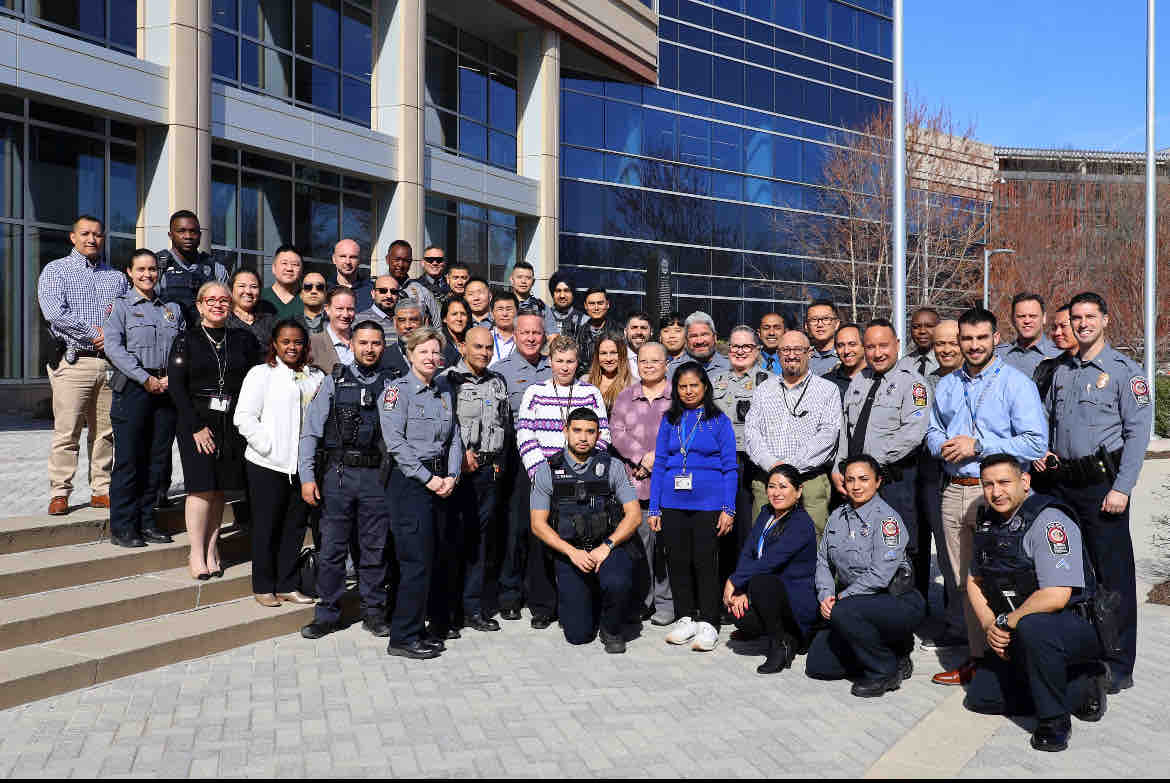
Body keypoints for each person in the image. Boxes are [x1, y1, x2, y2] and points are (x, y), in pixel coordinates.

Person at [925, 307, 1047, 686]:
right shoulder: (946, 385)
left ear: (996, 338)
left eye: (981, 338)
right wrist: (941, 446)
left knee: (1002, 578)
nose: (973, 345)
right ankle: (978, 661)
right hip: (954, 491)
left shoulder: (1015, 383)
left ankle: (1014, 661)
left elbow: (1035, 442)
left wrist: (977, 446)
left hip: (996, 494)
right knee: (965, 583)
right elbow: (931, 430)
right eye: (967, 338)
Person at [1038, 291, 1150, 695]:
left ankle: (1119, 662)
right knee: (1073, 572)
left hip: (1105, 488)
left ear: (1105, 319)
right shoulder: (1062, 371)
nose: (1082, 323)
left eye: (1090, 316)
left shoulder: (1125, 371)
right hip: (1064, 485)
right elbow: (1050, 422)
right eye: (1076, 317)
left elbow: (1139, 434)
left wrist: (1123, 488)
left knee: (1113, 575)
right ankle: (1085, 648)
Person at [962, 454, 1109, 752]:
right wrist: (991, 625)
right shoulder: (989, 522)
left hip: (1072, 625)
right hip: (1021, 628)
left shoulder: (1050, 520)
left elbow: (1056, 595)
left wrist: (1007, 622)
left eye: (1004, 482)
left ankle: (1054, 721)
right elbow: (973, 582)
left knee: (1035, 625)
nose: (996, 491)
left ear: (1025, 482)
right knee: (981, 697)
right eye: (988, 484)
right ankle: (1075, 687)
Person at [298, 320, 399, 640]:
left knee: (374, 549)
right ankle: (327, 613)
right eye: (363, 343)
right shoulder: (334, 380)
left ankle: (374, 612)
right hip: (338, 476)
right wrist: (307, 477)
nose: (370, 349)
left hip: (376, 477)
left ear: (384, 346)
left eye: (376, 343)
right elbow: (311, 431)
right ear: (352, 345)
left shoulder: (393, 383)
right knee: (332, 550)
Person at [807, 454, 924, 696]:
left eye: (864, 479)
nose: (856, 486)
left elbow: (880, 576)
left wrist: (841, 599)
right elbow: (822, 561)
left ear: (878, 481)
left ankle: (885, 671)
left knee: (845, 612)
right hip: (855, 604)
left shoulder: (887, 520)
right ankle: (887, 650)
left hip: (895, 600)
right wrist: (826, 595)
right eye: (850, 480)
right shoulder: (838, 516)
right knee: (819, 665)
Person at [516, 334, 610, 628]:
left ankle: (580, 599)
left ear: (577, 362)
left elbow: (603, 434)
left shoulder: (590, 392)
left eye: (570, 361)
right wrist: (540, 472)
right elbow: (524, 433)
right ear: (550, 362)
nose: (565, 367)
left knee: (580, 535)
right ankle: (543, 606)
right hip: (544, 475)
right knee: (542, 540)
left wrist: (581, 470)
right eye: (560, 361)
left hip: (580, 478)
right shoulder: (534, 392)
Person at [530, 408, 643, 652]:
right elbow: (538, 524)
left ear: (598, 434)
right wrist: (571, 552)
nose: (583, 437)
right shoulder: (547, 470)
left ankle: (611, 628)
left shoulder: (612, 466)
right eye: (577, 430)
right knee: (578, 635)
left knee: (617, 582)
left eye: (590, 432)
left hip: (608, 547)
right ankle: (586, 600)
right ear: (565, 431)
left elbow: (634, 516)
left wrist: (608, 546)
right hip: (571, 552)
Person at [381, 327, 464, 659]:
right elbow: (396, 445)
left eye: (435, 352)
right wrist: (429, 479)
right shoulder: (396, 392)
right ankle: (402, 636)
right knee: (414, 562)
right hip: (410, 484)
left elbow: (454, 435)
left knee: (433, 559)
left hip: (442, 480)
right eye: (424, 352)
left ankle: (420, 628)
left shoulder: (443, 390)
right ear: (410, 354)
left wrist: (453, 474)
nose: (431, 358)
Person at [38, 215, 129, 516]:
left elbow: (123, 315)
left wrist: (112, 336)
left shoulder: (116, 277)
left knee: (105, 432)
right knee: (68, 431)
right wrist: (96, 333)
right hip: (73, 362)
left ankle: (101, 489)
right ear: (73, 237)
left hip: (109, 365)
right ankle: (60, 491)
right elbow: (54, 313)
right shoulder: (56, 271)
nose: (92, 239)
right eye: (85, 233)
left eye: (98, 234)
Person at [168, 281, 259, 579]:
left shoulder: (243, 340)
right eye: (211, 300)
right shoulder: (185, 340)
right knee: (200, 487)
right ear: (199, 305)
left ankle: (211, 548)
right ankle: (195, 551)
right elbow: (178, 388)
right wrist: (195, 426)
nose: (218, 304)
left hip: (230, 422)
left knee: (219, 488)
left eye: (224, 300)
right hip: (196, 420)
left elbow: (255, 379)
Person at [834, 318, 930, 596]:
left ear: (897, 345)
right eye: (871, 346)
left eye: (884, 346)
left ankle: (906, 611)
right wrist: (840, 468)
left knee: (900, 547)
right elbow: (845, 429)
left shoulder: (914, 384)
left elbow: (913, 432)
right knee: (862, 544)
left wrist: (869, 468)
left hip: (893, 482)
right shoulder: (859, 382)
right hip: (856, 482)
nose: (877, 353)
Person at [647, 362, 737, 652]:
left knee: (705, 561)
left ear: (705, 387)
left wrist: (729, 507)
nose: (688, 391)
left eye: (694, 385)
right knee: (677, 560)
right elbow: (659, 463)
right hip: (672, 502)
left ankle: (709, 621)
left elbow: (730, 468)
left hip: (709, 504)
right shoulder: (669, 420)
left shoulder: (718, 421)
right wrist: (654, 507)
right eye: (682, 386)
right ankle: (685, 616)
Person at [234, 319, 324, 607]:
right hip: (267, 464)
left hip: (302, 466)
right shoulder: (262, 374)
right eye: (286, 341)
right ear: (275, 344)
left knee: (295, 526)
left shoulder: (315, 377)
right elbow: (244, 417)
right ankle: (263, 584)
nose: (292, 347)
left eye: (297, 341)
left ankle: (287, 583)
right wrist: (267, 446)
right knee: (266, 526)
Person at [103, 249, 184, 546]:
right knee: (128, 460)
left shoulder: (172, 309)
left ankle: (147, 521)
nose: (148, 274)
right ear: (129, 272)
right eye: (141, 269)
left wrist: (170, 380)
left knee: (156, 461)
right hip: (135, 388)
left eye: (152, 269)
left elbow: (182, 348)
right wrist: (144, 378)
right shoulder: (121, 307)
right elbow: (113, 347)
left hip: (166, 390)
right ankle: (123, 526)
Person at [444, 326, 510, 632]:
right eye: (478, 347)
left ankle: (473, 608)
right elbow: (443, 428)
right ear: (463, 347)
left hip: (488, 472)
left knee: (480, 543)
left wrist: (497, 463)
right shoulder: (447, 381)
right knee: (454, 541)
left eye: (488, 347)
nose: (484, 352)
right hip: (458, 474)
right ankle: (449, 611)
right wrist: (459, 457)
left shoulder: (498, 382)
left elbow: (504, 426)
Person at [745, 330, 842, 535]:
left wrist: (788, 469)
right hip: (767, 480)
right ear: (778, 354)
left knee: (811, 545)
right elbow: (752, 432)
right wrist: (772, 465)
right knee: (763, 544)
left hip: (809, 481)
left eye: (797, 349)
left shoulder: (828, 390)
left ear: (809, 353)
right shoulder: (764, 389)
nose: (791, 355)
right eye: (785, 349)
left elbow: (828, 435)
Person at [724, 464, 818, 674]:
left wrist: (736, 581)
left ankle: (781, 644)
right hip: (768, 591)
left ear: (798, 491)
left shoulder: (801, 523)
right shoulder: (766, 512)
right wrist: (739, 589)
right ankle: (785, 635)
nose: (776, 493)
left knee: (761, 581)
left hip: (795, 598)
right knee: (737, 612)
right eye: (772, 486)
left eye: (783, 487)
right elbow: (749, 552)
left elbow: (770, 561)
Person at [610, 341, 676, 626]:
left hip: (670, 483)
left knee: (667, 547)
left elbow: (683, 431)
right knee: (641, 546)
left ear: (666, 364)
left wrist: (655, 459)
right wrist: (640, 459)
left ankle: (667, 603)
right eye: (644, 361)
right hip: (635, 483)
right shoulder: (626, 396)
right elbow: (616, 432)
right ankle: (643, 601)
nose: (649, 365)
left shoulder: (677, 397)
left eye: (655, 360)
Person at [493, 313, 552, 620]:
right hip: (516, 460)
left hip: (549, 458)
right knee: (515, 528)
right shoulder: (500, 371)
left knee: (543, 527)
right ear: (514, 335)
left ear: (544, 336)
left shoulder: (554, 367)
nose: (531, 338)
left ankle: (539, 594)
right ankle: (510, 594)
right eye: (525, 332)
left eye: (537, 333)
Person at [917, 319, 967, 650]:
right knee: (940, 551)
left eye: (952, 343)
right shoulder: (927, 381)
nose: (946, 349)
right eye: (939, 344)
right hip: (932, 473)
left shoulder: (976, 380)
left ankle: (961, 625)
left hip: (967, 476)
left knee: (959, 555)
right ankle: (947, 619)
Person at [711, 326, 774, 582]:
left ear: (757, 350)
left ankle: (745, 586)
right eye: (735, 346)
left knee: (748, 528)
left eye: (746, 346)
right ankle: (723, 587)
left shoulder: (770, 382)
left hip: (753, 462)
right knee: (722, 527)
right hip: (720, 463)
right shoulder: (714, 380)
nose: (739, 351)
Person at [155, 210, 228, 326]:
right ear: (170, 235)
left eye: (193, 231)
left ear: (200, 235)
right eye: (181, 231)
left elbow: (226, 308)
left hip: (205, 337)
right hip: (168, 337)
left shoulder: (216, 269)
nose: (188, 236)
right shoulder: (156, 266)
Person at [995, 293, 1063, 377]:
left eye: (1033, 316)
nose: (1027, 321)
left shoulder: (1059, 355)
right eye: (1021, 316)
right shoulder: (998, 356)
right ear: (1012, 319)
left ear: (1044, 318)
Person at [385, 239, 440, 327]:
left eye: (406, 261)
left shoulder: (423, 291)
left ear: (410, 262)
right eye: (397, 259)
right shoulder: (377, 290)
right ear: (387, 259)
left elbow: (437, 326)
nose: (401, 264)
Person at [1032, 303, 1077, 401]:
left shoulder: (1106, 366)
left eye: (1063, 326)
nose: (1057, 333)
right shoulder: (1046, 369)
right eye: (1054, 327)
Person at [667, 311, 731, 379]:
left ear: (715, 337)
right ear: (686, 340)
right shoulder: (673, 370)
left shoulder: (731, 367)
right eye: (693, 336)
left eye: (704, 334)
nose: (700, 341)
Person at [308, 287, 357, 374]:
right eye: (339, 309)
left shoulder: (362, 341)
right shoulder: (312, 344)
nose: (345, 315)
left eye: (350, 309)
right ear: (327, 309)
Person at [573, 287, 619, 376]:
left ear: (607, 304)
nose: (596, 308)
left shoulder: (618, 332)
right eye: (592, 304)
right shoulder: (578, 332)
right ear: (585, 306)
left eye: (600, 303)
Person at [226, 268, 275, 349]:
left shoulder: (269, 320)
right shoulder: (223, 320)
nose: (248, 291)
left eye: (254, 286)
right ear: (231, 289)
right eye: (242, 286)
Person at [586, 332, 634, 411]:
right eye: (603, 353)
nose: (608, 359)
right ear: (597, 356)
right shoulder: (585, 381)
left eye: (613, 353)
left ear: (622, 354)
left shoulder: (633, 385)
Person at [380, 297, 424, 376]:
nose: (407, 326)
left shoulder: (438, 354)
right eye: (402, 320)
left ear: (424, 322)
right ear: (394, 322)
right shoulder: (383, 357)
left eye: (413, 320)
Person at [822, 322, 866, 400]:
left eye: (852, 344)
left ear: (864, 345)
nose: (846, 351)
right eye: (841, 345)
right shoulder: (826, 383)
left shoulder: (877, 378)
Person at [260, 245, 306, 320]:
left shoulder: (309, 299)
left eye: (295, 264)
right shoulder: (259, 297)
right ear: (273, 268)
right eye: (284, 263)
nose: (289, 268)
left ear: (301, 270)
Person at [330, 238, 374, 312]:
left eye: (353, 257)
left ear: (359, 260)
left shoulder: (371, 290)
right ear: (334, 259)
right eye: (343, 256)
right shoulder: (325, 289)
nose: (348, 262)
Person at [804, 299, 841, 375]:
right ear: (806, 326)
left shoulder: (846, 355)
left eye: (826, 319)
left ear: (837, 324)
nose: (820, 325)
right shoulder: (801, 357)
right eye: (814, 319)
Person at [545, 271, 587, 336]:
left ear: (573, 293)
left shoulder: (584, 320)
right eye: (558, 291)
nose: (562, 296)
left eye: (566, 291)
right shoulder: (543, 317)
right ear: (552, 294)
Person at [901, 307, 940, 376]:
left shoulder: (948, 362)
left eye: (929, 326)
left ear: (940, 328)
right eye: (916, 327)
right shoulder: (903, 364)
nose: (922, 331)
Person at [489, 292, 518, 366]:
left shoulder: (524, 339)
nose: (505, 314)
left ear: (517, 312)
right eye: (500, 309)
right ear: (492, 314)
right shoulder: (485, 337)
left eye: (509, 309)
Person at [440, 296, 469, 369]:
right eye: (454, 314)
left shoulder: (471, 341)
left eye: (463, 314)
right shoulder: (438, 344)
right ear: (444, 318)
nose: (459, 319)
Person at [623, 312, 652, 379]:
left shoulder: (659, 359)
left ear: (651, 332)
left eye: (643, 328)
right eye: (634, 327)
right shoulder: (616, 358)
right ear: (625, 332)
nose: (639, 332)